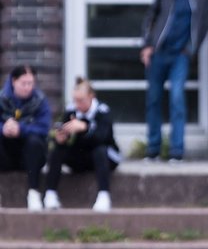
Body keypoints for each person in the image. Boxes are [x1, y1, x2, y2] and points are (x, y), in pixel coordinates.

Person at [140, 0, 208, 162]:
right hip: (158, 52)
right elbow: (151, 16)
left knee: (177, 98)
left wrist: (190, 49)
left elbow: (204, 23)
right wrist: (147, 45)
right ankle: (153, 150)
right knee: (153, 99)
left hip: (180, 54)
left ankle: (176, 152)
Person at [43, 77, 121, 212]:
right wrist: (60, 138)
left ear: (91, 96)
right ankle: (50, 194)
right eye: (75, 100)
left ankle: (104, 195)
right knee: (57, 150)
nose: (77, 104)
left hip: (104, 158)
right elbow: (63, 136)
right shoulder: (71, 111)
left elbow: (103, 137)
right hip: (80, 157)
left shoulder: (102, 111)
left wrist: (85, 128)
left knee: (100, 150)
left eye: (81, 100)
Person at [0, 65, 52, 212]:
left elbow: (44, 128)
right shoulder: (2, 99)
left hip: (31, 159)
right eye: (24, 83)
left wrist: (21, 129)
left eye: (31, 83)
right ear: (13, 81)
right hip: (6, 156)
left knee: (34, 142)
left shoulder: (40, 100)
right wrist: (3, 129)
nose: (28, 87)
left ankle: (34, 192)